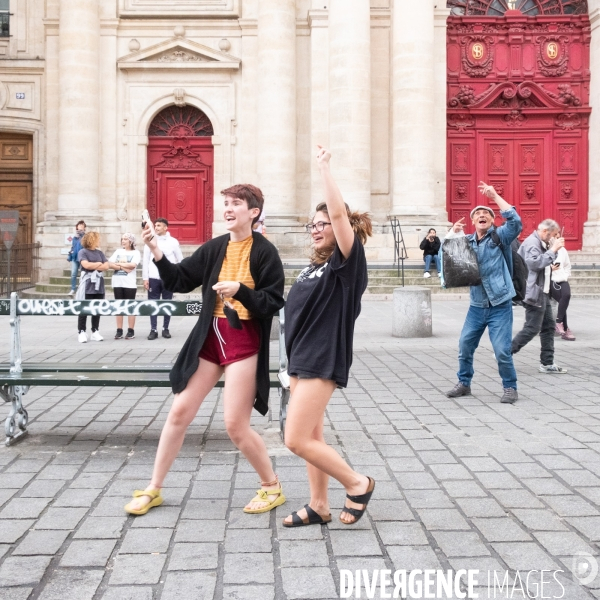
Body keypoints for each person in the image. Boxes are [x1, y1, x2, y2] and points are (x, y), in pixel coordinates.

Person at [125, 184, 286, 516]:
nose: (227, 209)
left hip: (243, 340)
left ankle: (271, 487)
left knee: (235, 426)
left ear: (253, 212)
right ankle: (154, 488)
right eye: (225, 203)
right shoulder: (215, 248)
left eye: (236, 204)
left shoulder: (265, 252)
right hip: (210, 338)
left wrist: (240, 290)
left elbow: (271, 303)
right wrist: (156, 249)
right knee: (179, 413)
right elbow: (180, 280)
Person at [282, 146, 375, 528]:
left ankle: (358, 483)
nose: (317, 228)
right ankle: (318, 504)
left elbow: (338, 215)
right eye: (313, 224)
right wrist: (288, 367)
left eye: (323, 223)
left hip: (323, 358)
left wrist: (324, 169)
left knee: (295, 439)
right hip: (300, 359)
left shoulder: (346, 264)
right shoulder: (313, 267)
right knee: (313, 435)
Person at [444, 182, 523, 404]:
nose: (481, 215)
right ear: (472, 221)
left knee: (502, 351)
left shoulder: (500, 237)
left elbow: (515, 222)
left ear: (492, 220)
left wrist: (495, 196)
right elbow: (447, 260)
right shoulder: (466, 242)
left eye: (486, 213)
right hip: (477, 306)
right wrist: (452, 233)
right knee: (465, 346)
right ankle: (464, 383)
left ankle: (510, 387)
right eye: (477, 213)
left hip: (500, 304)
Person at [511, 220, 568, 372]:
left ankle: (547, 363)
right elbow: (534, 264)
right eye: (554, 235)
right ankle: (505, 352)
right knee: (532, 327)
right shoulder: (532, 243)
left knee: (548, 326)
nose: (555, 239)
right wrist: (553, 250)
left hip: (542, 291)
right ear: (545, 232)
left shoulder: (540, 242)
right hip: (534, 292)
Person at [142, 218, 183, 340]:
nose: (156, 227)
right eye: (155, 225)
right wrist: (145, 278)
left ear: (166, 227)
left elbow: (180, 260)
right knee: (153, 303)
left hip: (168, 279)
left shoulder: (173, 242)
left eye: (159, 225)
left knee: (167, 303)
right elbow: (145, 260)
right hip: (153, 277)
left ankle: (166, 328)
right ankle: (153, 329)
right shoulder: (149, 241)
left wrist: (178, 276)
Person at [76, 232, 118, 343]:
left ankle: (95, 330)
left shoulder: (99, 253)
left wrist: (96, 265)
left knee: (97, 308)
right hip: (87, 284)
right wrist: (99, 264)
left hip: (98, 284)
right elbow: (86, 265)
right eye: (98, 239)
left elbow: (106, 266)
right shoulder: (82, 252)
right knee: (84, 308)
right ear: (92, 240)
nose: (99, 241)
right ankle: (81, 331)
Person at [109, 233, 141, 340]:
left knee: (130, 307)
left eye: (126, 239)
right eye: (122, 239)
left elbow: (133, 265)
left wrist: (118, 265)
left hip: (129, 283)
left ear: (131, 241)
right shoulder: (118, 251)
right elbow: (110, 264)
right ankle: (119, 330)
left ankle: (131, 330)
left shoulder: (136, 253)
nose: (123, 241)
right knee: (118, 306)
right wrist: (124, 267)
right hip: (117, 282)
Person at [550, 242, 575, 341]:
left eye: (557, 235)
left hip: (562, 278)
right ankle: (565, 329)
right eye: (554, 235)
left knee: (566, 295)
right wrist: (550, 269)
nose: (556, 238)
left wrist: (565, 275)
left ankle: (559, 322)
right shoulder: (545, 249)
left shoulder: (562, 250)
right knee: (561, 300)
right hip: (551, 279)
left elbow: (567, 265)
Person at [67, 220, 86, 296]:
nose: (80, 226)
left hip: (83, 258)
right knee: (73, 274)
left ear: (84, 228)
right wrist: (70, 254)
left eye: (82, 225)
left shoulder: (86, 236)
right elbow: (73, 246)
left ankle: (81, 289)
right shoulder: (75, 237)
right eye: (79, 225)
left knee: (83, 274)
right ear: (76, 227)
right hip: (75, 257)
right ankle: (73, 289)